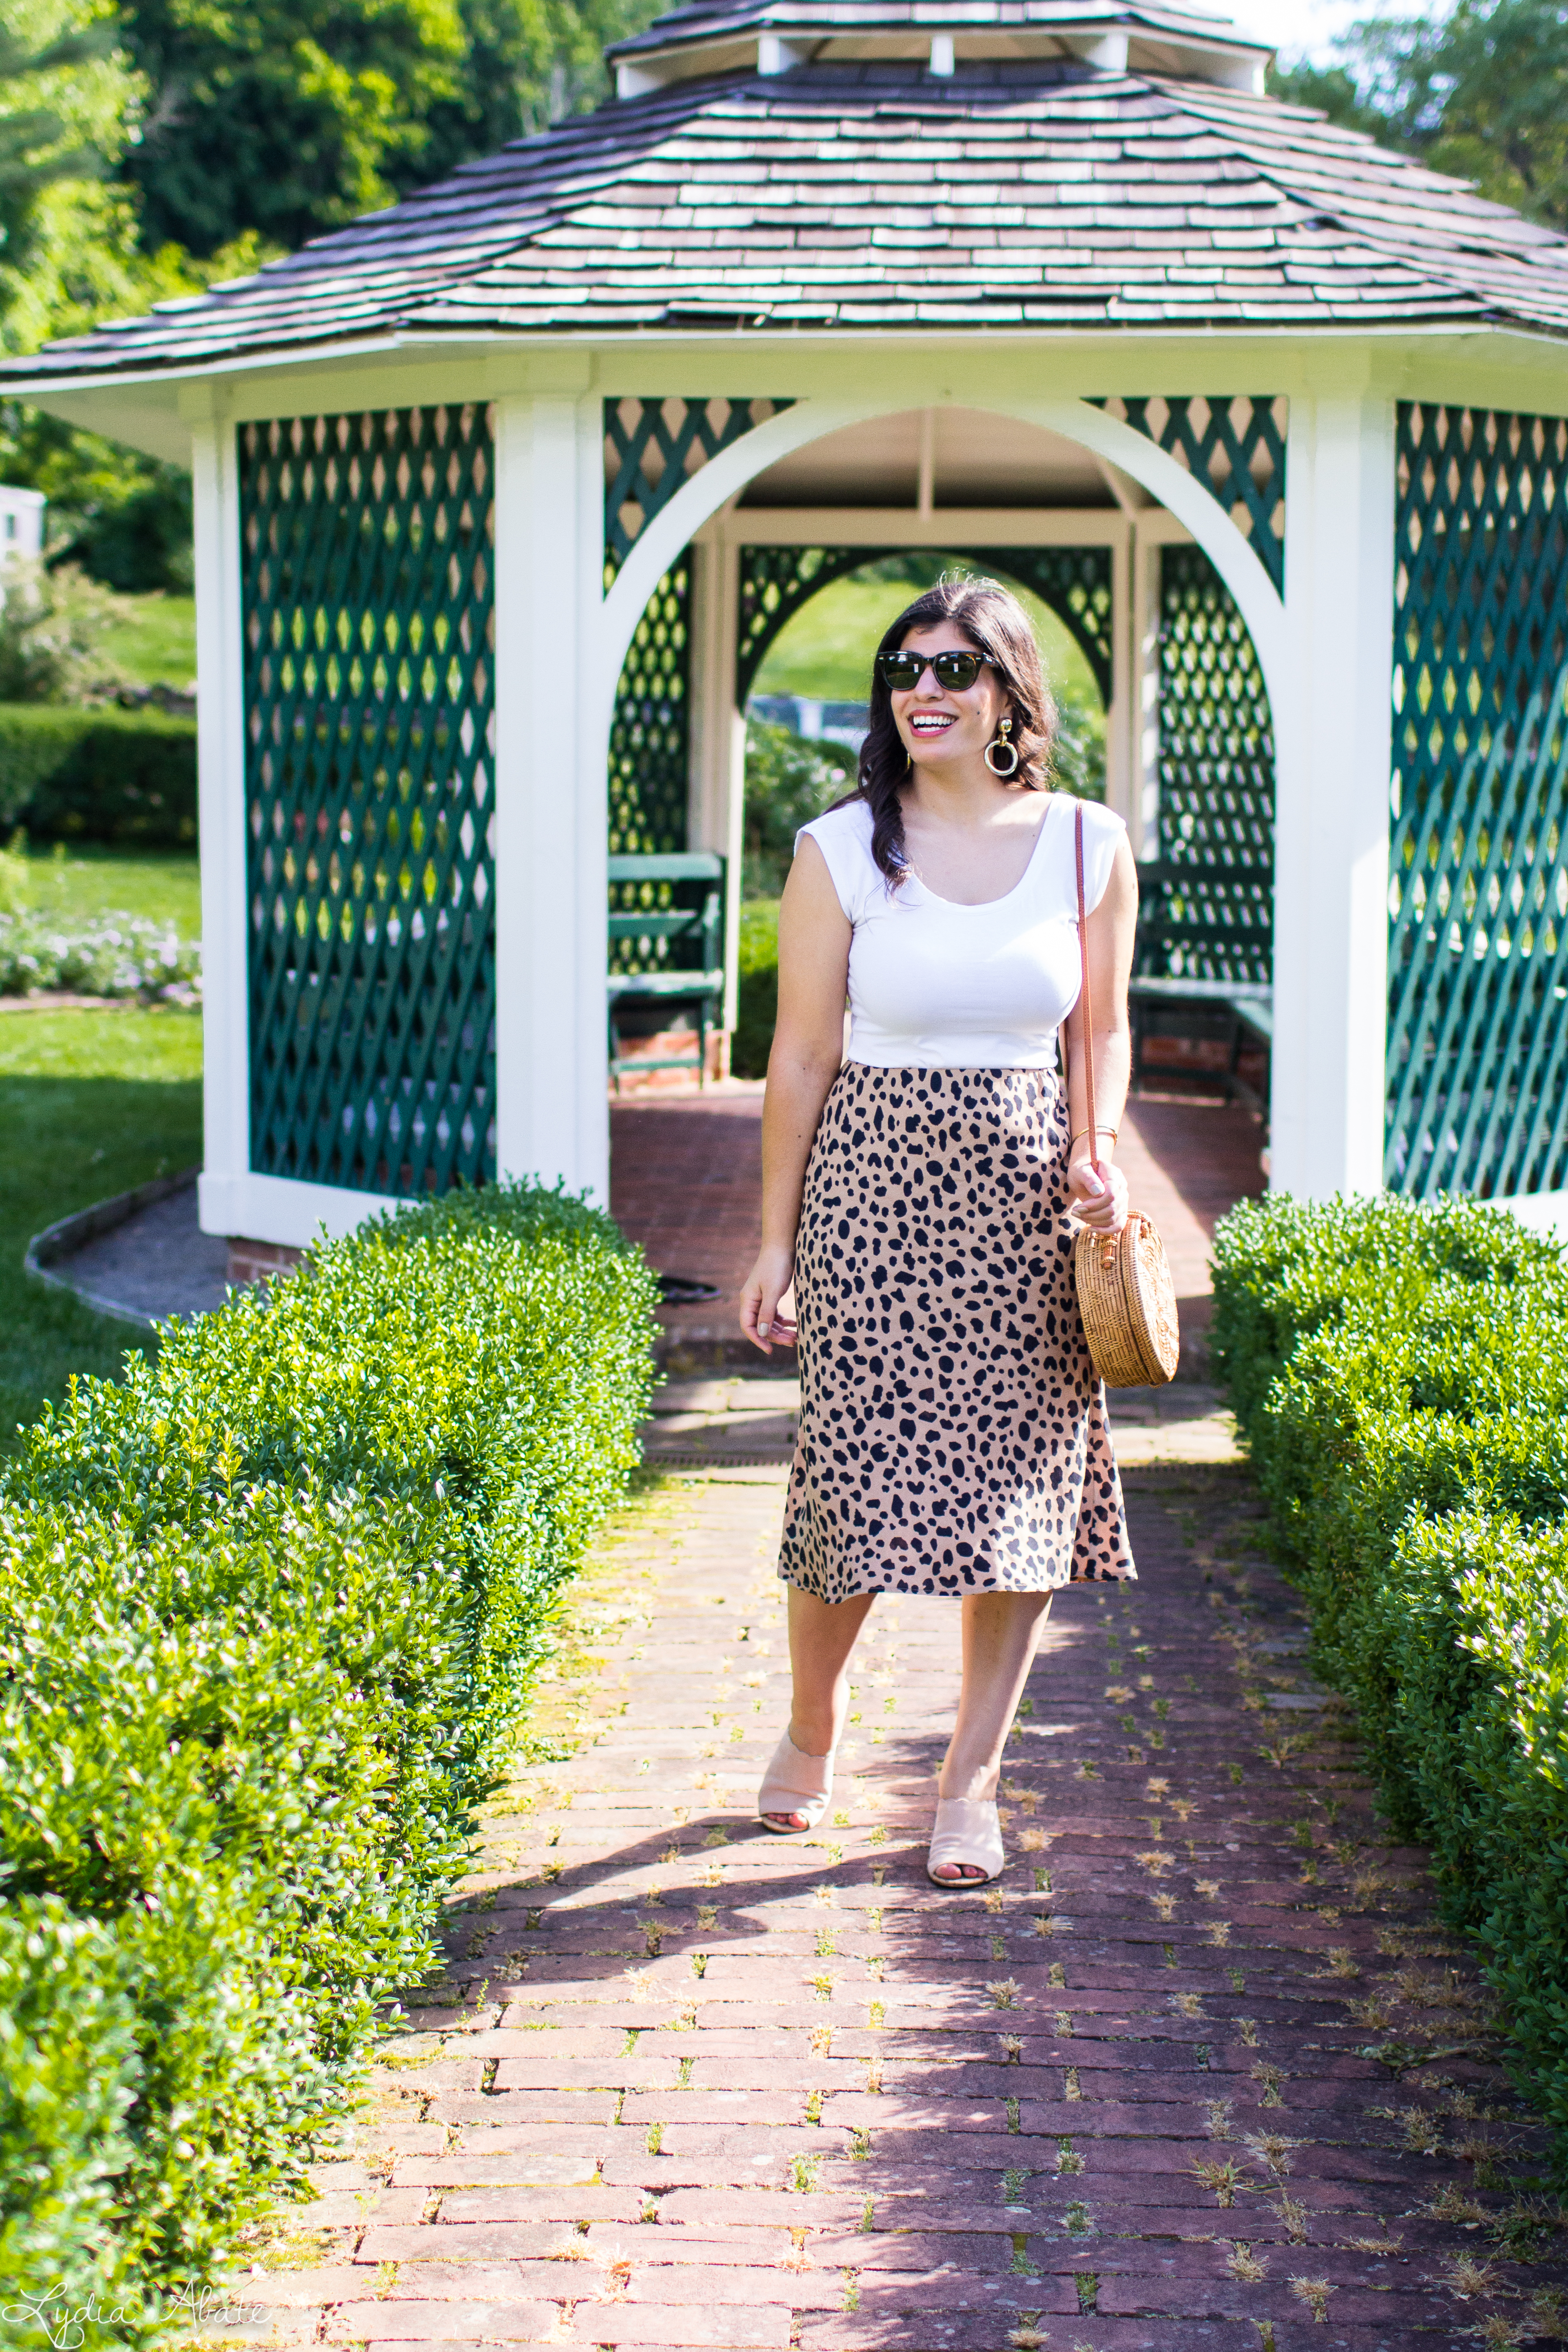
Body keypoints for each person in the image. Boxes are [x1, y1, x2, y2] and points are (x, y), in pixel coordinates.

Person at [739, 574, 1139, 1886]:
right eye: (905, 670)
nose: (923, 690)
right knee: (851, 1484)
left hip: (1030, 1206)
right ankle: (812, 1724)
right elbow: (797, 1058)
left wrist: (1102, 1149)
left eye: (953, 669)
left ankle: (971, 1782)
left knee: (1019, 1502)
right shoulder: (840, 848)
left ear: (1010, 689)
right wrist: (773, 1239)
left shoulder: (1088, 841)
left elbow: (1104, 1029)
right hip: (874, 1191)